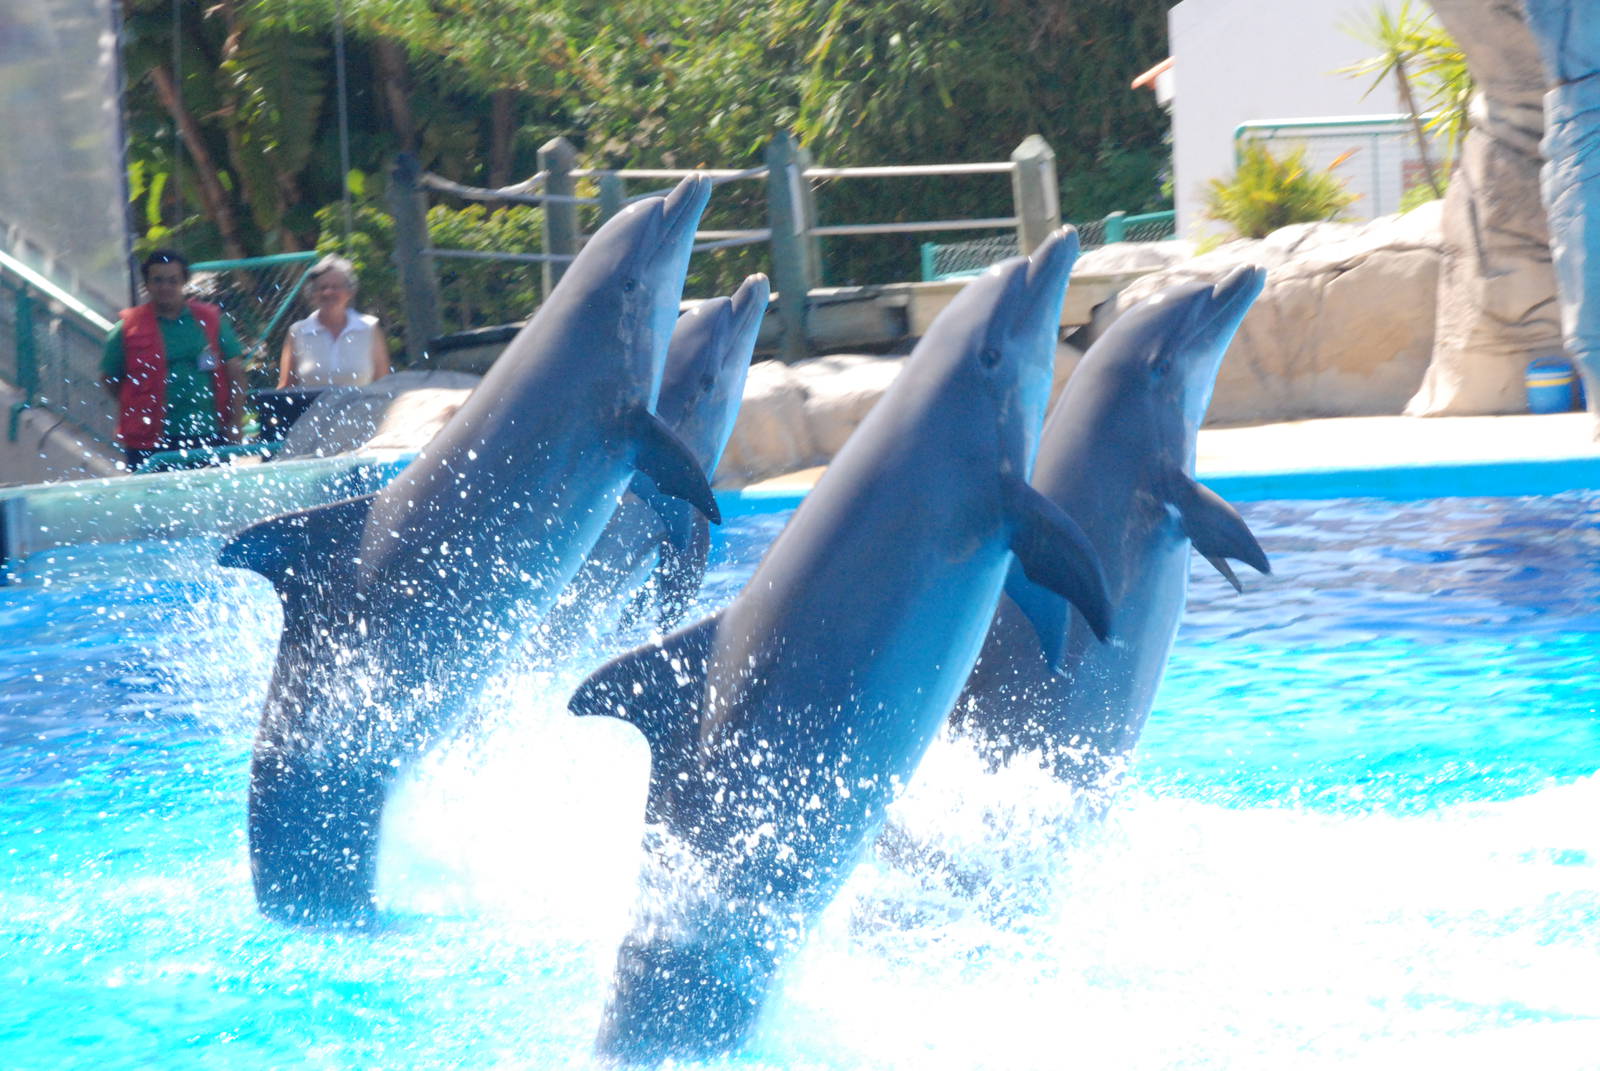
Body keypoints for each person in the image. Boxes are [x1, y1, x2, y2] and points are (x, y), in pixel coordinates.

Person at [100, 248, 247, 472]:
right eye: (158, 280)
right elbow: (110, 378)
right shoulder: (128, 328)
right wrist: (137, 405)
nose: (165, 287)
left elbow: (234, 370)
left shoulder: (209, 320)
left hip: (207, 433)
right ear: (147, 284)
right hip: (149, 441)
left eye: (172, 280)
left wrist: (235, 424)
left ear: (183, 282)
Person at [277, 255, 391, 389]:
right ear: (313, 294)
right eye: (322, 287)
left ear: (349, 292)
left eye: (336, 287)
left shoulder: (368, 328)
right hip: (313, 409)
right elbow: (286, 386)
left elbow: (383, 384)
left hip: (361, 408)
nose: (328, 292)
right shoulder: (298, 332)